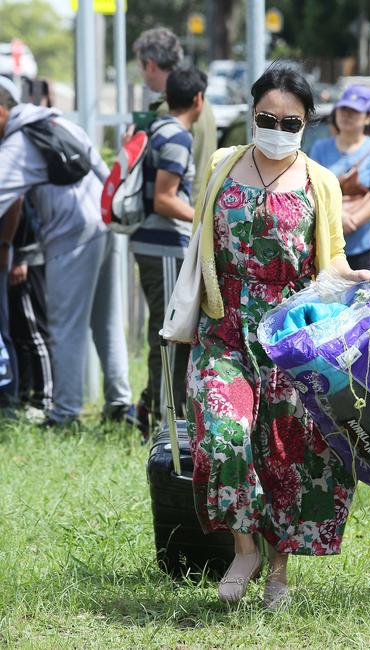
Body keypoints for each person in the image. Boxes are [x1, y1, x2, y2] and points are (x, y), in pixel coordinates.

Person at [186, 63, 370, 609]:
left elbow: (331, 259)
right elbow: (202, 242)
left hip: (290, 337)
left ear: (306, 123)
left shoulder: (320, 181)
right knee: (223, 434)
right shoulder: (223, 164)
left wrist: (352, 277)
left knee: (285, 453)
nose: (275, 127)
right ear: (250, 114)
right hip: (224, 328)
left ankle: (277, 571)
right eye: (265, 117)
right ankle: (243, 548)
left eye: (288, 121)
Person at [0, 77, 132, 427]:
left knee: (65, 327)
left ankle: (65, 413)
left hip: (71, 238)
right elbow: (103, 172)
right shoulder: (57, 122)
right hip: (104, 224)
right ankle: (119, 404)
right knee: (106, 323)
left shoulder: (17, 144)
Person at [129, 67, 206, 436]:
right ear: (198, 100)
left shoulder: (158, 128)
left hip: (152, 244)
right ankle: (164, 424)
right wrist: (204, 220)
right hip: (162, 245)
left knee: (163, 332)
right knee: (170, 335)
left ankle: (156, 410)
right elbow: (164, 199)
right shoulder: (176, 135)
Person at [310, 84, 370, 272]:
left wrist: (352, 221)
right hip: (325, 246)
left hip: (362, 248)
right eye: (344, 109)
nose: (347, 115)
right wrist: (337, 218)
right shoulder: (320, 148)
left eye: (354, 111)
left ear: (368, 117)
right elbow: (311, 188)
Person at [132, 27, 216, 204]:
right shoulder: (201, 102)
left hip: (177, 212)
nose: (142, 73)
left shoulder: (169, 111)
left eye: (141, 66)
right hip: (199, 207)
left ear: (151, 64)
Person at [8, 194, 52, 419]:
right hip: (12, 256)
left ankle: (45, 398)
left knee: (34, 330)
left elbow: (21, 208)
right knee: (18, 332)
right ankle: (24, 394)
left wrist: (21, 258)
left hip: (25, 257)